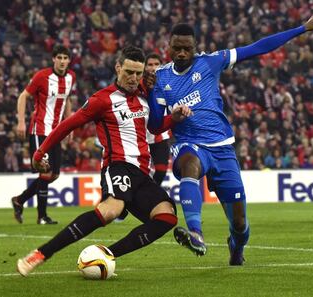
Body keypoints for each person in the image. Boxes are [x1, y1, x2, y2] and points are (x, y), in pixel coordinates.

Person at [148, 12, 313, 265]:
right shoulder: (160, 78)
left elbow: (256, 48)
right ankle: (196, 233)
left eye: (186, 48)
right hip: (189, 143)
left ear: (195, 47)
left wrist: (302, 29)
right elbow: (155, 127)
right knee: (189, 165)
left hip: (222, 147)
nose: (181, 53)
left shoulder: (211, 62)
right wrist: (173, 117)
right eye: (176, 48)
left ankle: (236, 246)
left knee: (240, 224)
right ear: (168, 45)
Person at [16, 45, 192, 276]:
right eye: (129, 72)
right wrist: (40, 153)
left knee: (167, 216)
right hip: (117, 164)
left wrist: (174, 119)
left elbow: (155, 127)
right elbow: (67, 125)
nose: (134, 78)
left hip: (141, 172)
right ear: (118, 67)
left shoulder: (145, 94)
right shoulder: (102, 99)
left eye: (138, 73)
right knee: (111, 210)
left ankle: (106, 255)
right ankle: (40, 254)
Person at [11, 45, 76, 225]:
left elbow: (67, 99)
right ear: (53, 59)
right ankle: (42, 217)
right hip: (40, 130)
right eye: (59, 57)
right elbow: (23, 96)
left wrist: (69, 125)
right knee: (45, 174)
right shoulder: (42, 76)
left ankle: (20, 200)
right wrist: (21, 122)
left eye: (65, 58)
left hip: (56, 131)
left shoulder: (71, 77)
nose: (62, 61)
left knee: (54, 175)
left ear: (69, 60)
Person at [145, 53, 172, 185]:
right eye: (150, 64)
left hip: (161, 136)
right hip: (142, 137)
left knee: (161, 171)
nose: (153, 67)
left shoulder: (167, 83)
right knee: (142, 173)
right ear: (144, 67)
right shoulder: (139, 85)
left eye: (156, 64)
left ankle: (149, 197)